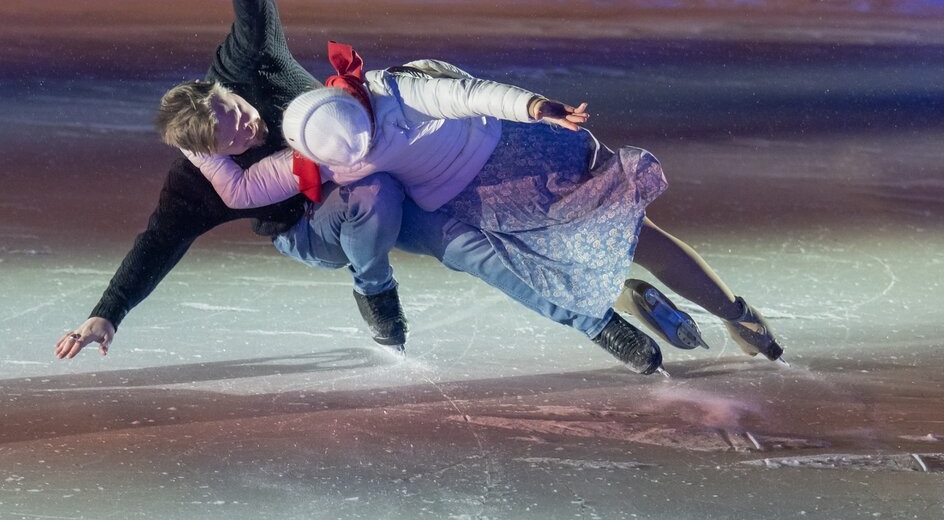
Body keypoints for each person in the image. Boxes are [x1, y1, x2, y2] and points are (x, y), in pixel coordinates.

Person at [56, 0, 693, 373]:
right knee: (375, 196)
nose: (249, 129)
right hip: (313, 225)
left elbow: (256, 25)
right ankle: (373, 287)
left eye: (238, 113)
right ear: (212, 154)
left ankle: (594, 322)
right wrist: (105, 315)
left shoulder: (244, 69)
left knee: (471, 247)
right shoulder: (202, 186)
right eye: (234, 140)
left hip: (381, 171)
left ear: (223, 89)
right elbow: (155, 244)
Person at [173, 45, 786, 374]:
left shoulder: (393, 88)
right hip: (484, 192)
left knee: (631, 228)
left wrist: (535, 104)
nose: (363, 158)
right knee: (526, 257)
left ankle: (731, 312)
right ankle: (675, 309)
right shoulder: (324, 154)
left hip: (519, 153)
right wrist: (188, 144)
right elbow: (243, 191)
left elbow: (468, 93)